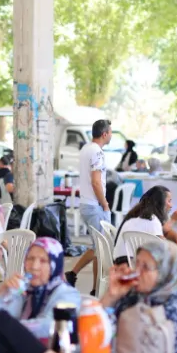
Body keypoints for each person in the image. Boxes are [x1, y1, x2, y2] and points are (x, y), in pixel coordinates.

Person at [67, 119, 112, 289]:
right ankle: (80, 278)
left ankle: (92, 285)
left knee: (98, 249)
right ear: (105, 134)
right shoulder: (97, 153)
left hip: (86, 204)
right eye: (110, 132)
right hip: (94, 205)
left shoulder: (86, 148)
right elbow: (96, 182)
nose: (111, 135)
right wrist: (105, 204)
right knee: (102, 248)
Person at [0, 237, 81, 320]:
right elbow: (0, 314)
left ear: (55, 265)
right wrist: (2, 292)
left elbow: (48, 326)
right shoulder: (25, 288)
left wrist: (6, 327)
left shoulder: (67, 293)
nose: (34, 266)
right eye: (30, 259)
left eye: (43, 261)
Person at [113, 185, 177, 260]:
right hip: (132, 264)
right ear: (160, 203)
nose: (171, 205)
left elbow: (163, 232)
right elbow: (165, 250)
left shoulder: (137, 213)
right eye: (169, 201)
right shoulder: (152, 219)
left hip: (119, 260)